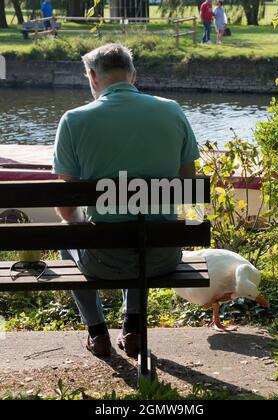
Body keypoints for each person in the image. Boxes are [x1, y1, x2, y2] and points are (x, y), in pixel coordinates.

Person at [53, 44, 200, 358]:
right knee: (141, 225)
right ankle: (133, 328)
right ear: (133, 75)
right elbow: (190, 186)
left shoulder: (73, 120)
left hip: (103, 261)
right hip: (162, 257)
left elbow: (67, 209)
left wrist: (82, 225)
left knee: (70, 234)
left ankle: (97, 332)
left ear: (92, 77)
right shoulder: (172, 110)